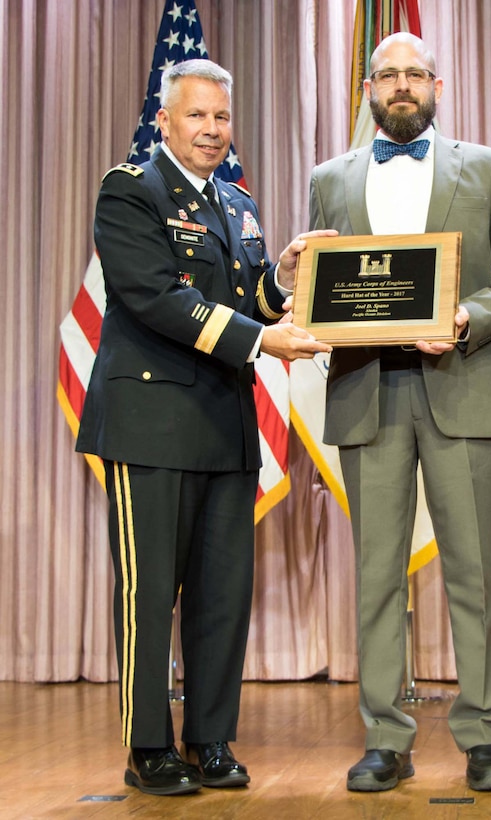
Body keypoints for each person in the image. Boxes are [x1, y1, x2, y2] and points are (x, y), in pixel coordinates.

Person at [76, 59, 333, 796]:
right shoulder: (129, 190)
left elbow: (243, 296)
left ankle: (210, 739)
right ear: (164, 120)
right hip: (149, 425)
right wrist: (262, 340)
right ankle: (148, 746)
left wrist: (280, 278)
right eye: (197, 116)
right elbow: (154, 296)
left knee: (224, 594)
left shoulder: (238, 205)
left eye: (221, 118)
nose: (212, 131)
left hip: (224, 421)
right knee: (149, 592)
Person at [308, 32, 491, 793]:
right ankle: (386, 737)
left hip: (461, 386)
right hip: (365, 392)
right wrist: (296, 279)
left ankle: (483, 738)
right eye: (387, 75)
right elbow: (321, 290)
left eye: (414, 74)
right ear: (369, 89)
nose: (401, 85)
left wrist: (465, 318)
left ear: (437, 84)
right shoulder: (328, 179)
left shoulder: (486, 167)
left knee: (472, 573)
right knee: (376, 574)